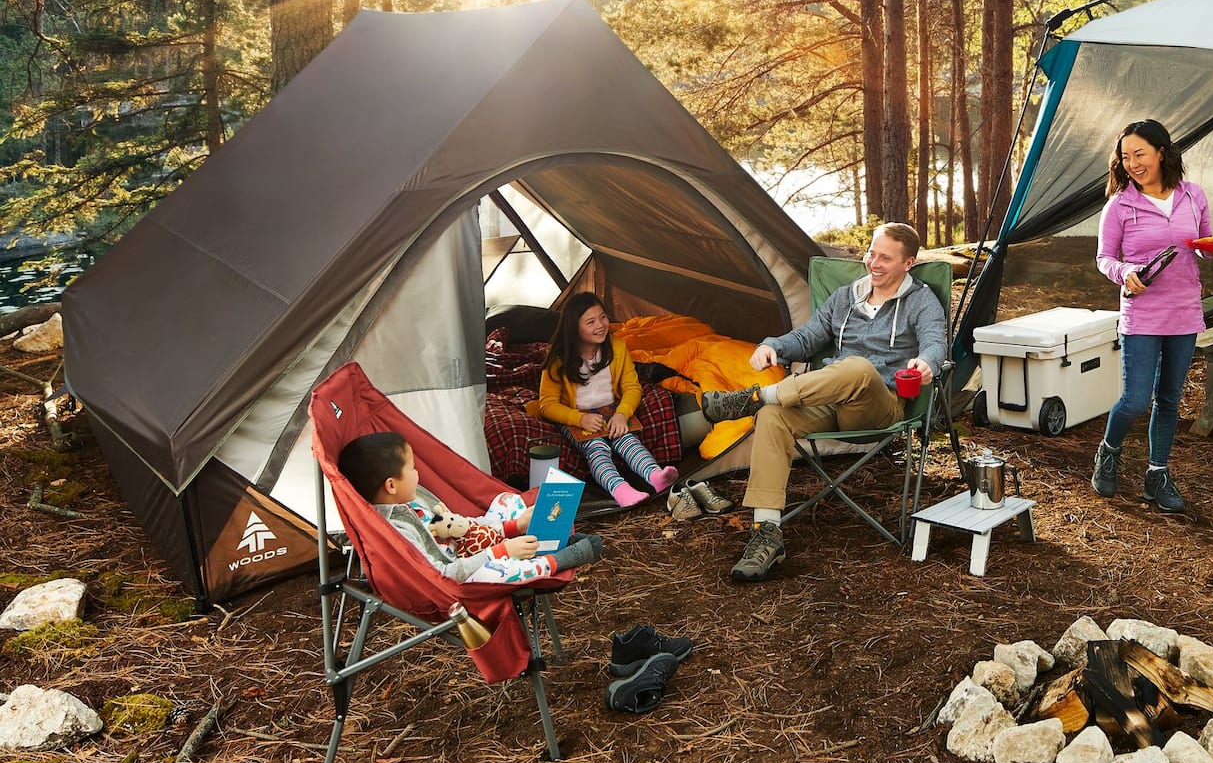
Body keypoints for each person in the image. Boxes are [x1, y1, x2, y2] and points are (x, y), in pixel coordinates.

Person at [699, 222, 948, 582]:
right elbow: (808, 336)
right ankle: (766, 533)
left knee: (858, 369)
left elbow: (935, 341)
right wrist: (773, 346)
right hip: (831, 404)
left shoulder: (921, 301)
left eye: (886, 258)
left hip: (879, 407)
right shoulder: (846, 296)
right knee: (772, 417)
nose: (874, 263)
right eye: (871, 253)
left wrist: (928, 362)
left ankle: (753, 398)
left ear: (908, 263)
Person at [1092, 118, 1213, 514]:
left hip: (1184, 310)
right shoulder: (1120, 204)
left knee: (1169, 400)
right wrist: (1124, 272)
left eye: (1139, 154)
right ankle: (1108, 452)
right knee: (1135, 399)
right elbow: (1104, 258)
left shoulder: (1193, 196)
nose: (1132, 163)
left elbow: (1206, 245)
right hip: (1142, 312)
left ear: (1162, 152)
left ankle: (1156, 475)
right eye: (1125, 156)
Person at [338, 431, 604, 584]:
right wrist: (500, 552)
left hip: (466, 544)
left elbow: (455, 523)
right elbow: (442, 575)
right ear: (391, 485)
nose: (418, 474)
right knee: (499, 574)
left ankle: (541, 537)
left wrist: (510, 526)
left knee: (505, 500)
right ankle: (555, 559)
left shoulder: (411, 500)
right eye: (412, 469)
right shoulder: (396, 531)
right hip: (461, 571)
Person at [530, 292, 678, 508]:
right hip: (577, 419)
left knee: (627, 439)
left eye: (603, 317)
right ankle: (620, 490)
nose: (600, 325)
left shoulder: (617, 347)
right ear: (574, 328)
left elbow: (632, 387)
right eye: (591, 322)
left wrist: (622, 413)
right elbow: (547, 405)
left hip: (610, 411)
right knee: (596, 446)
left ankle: (656, 476)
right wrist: (579, 419)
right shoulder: (559, 358)